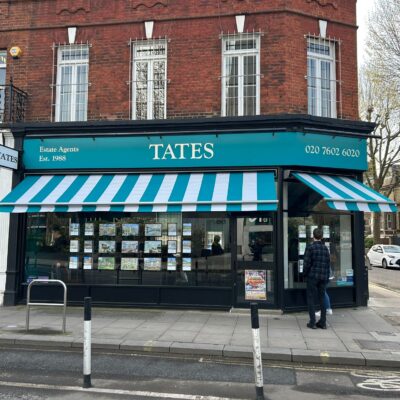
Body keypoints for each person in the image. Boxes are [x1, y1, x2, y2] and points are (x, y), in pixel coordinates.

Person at [303, 228, 331, 329]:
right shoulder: (325, 248)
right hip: (323, 277)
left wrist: (304, 274)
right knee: (322, 298)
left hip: (313, 277)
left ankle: (312, 322)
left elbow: (306, 264)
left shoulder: (310, 247)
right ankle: (323, 322)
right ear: (322, 237)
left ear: (313, 236)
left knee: (310, 298)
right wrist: (327, 277)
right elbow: (328, 264)